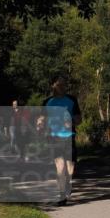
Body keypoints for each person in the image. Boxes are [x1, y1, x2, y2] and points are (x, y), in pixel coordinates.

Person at [41, 74, 82, 206]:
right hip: (54, 137)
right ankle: (61, 194)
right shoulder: (47, 102)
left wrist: (70, 119)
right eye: (59, 84)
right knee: (60, 165)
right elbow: (42, 120)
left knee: (70, 166)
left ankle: (68, 183)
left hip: (69, 136)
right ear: (53, 85)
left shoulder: (71, 100)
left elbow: (79, 120)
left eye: (64, 84)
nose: (62, 87)